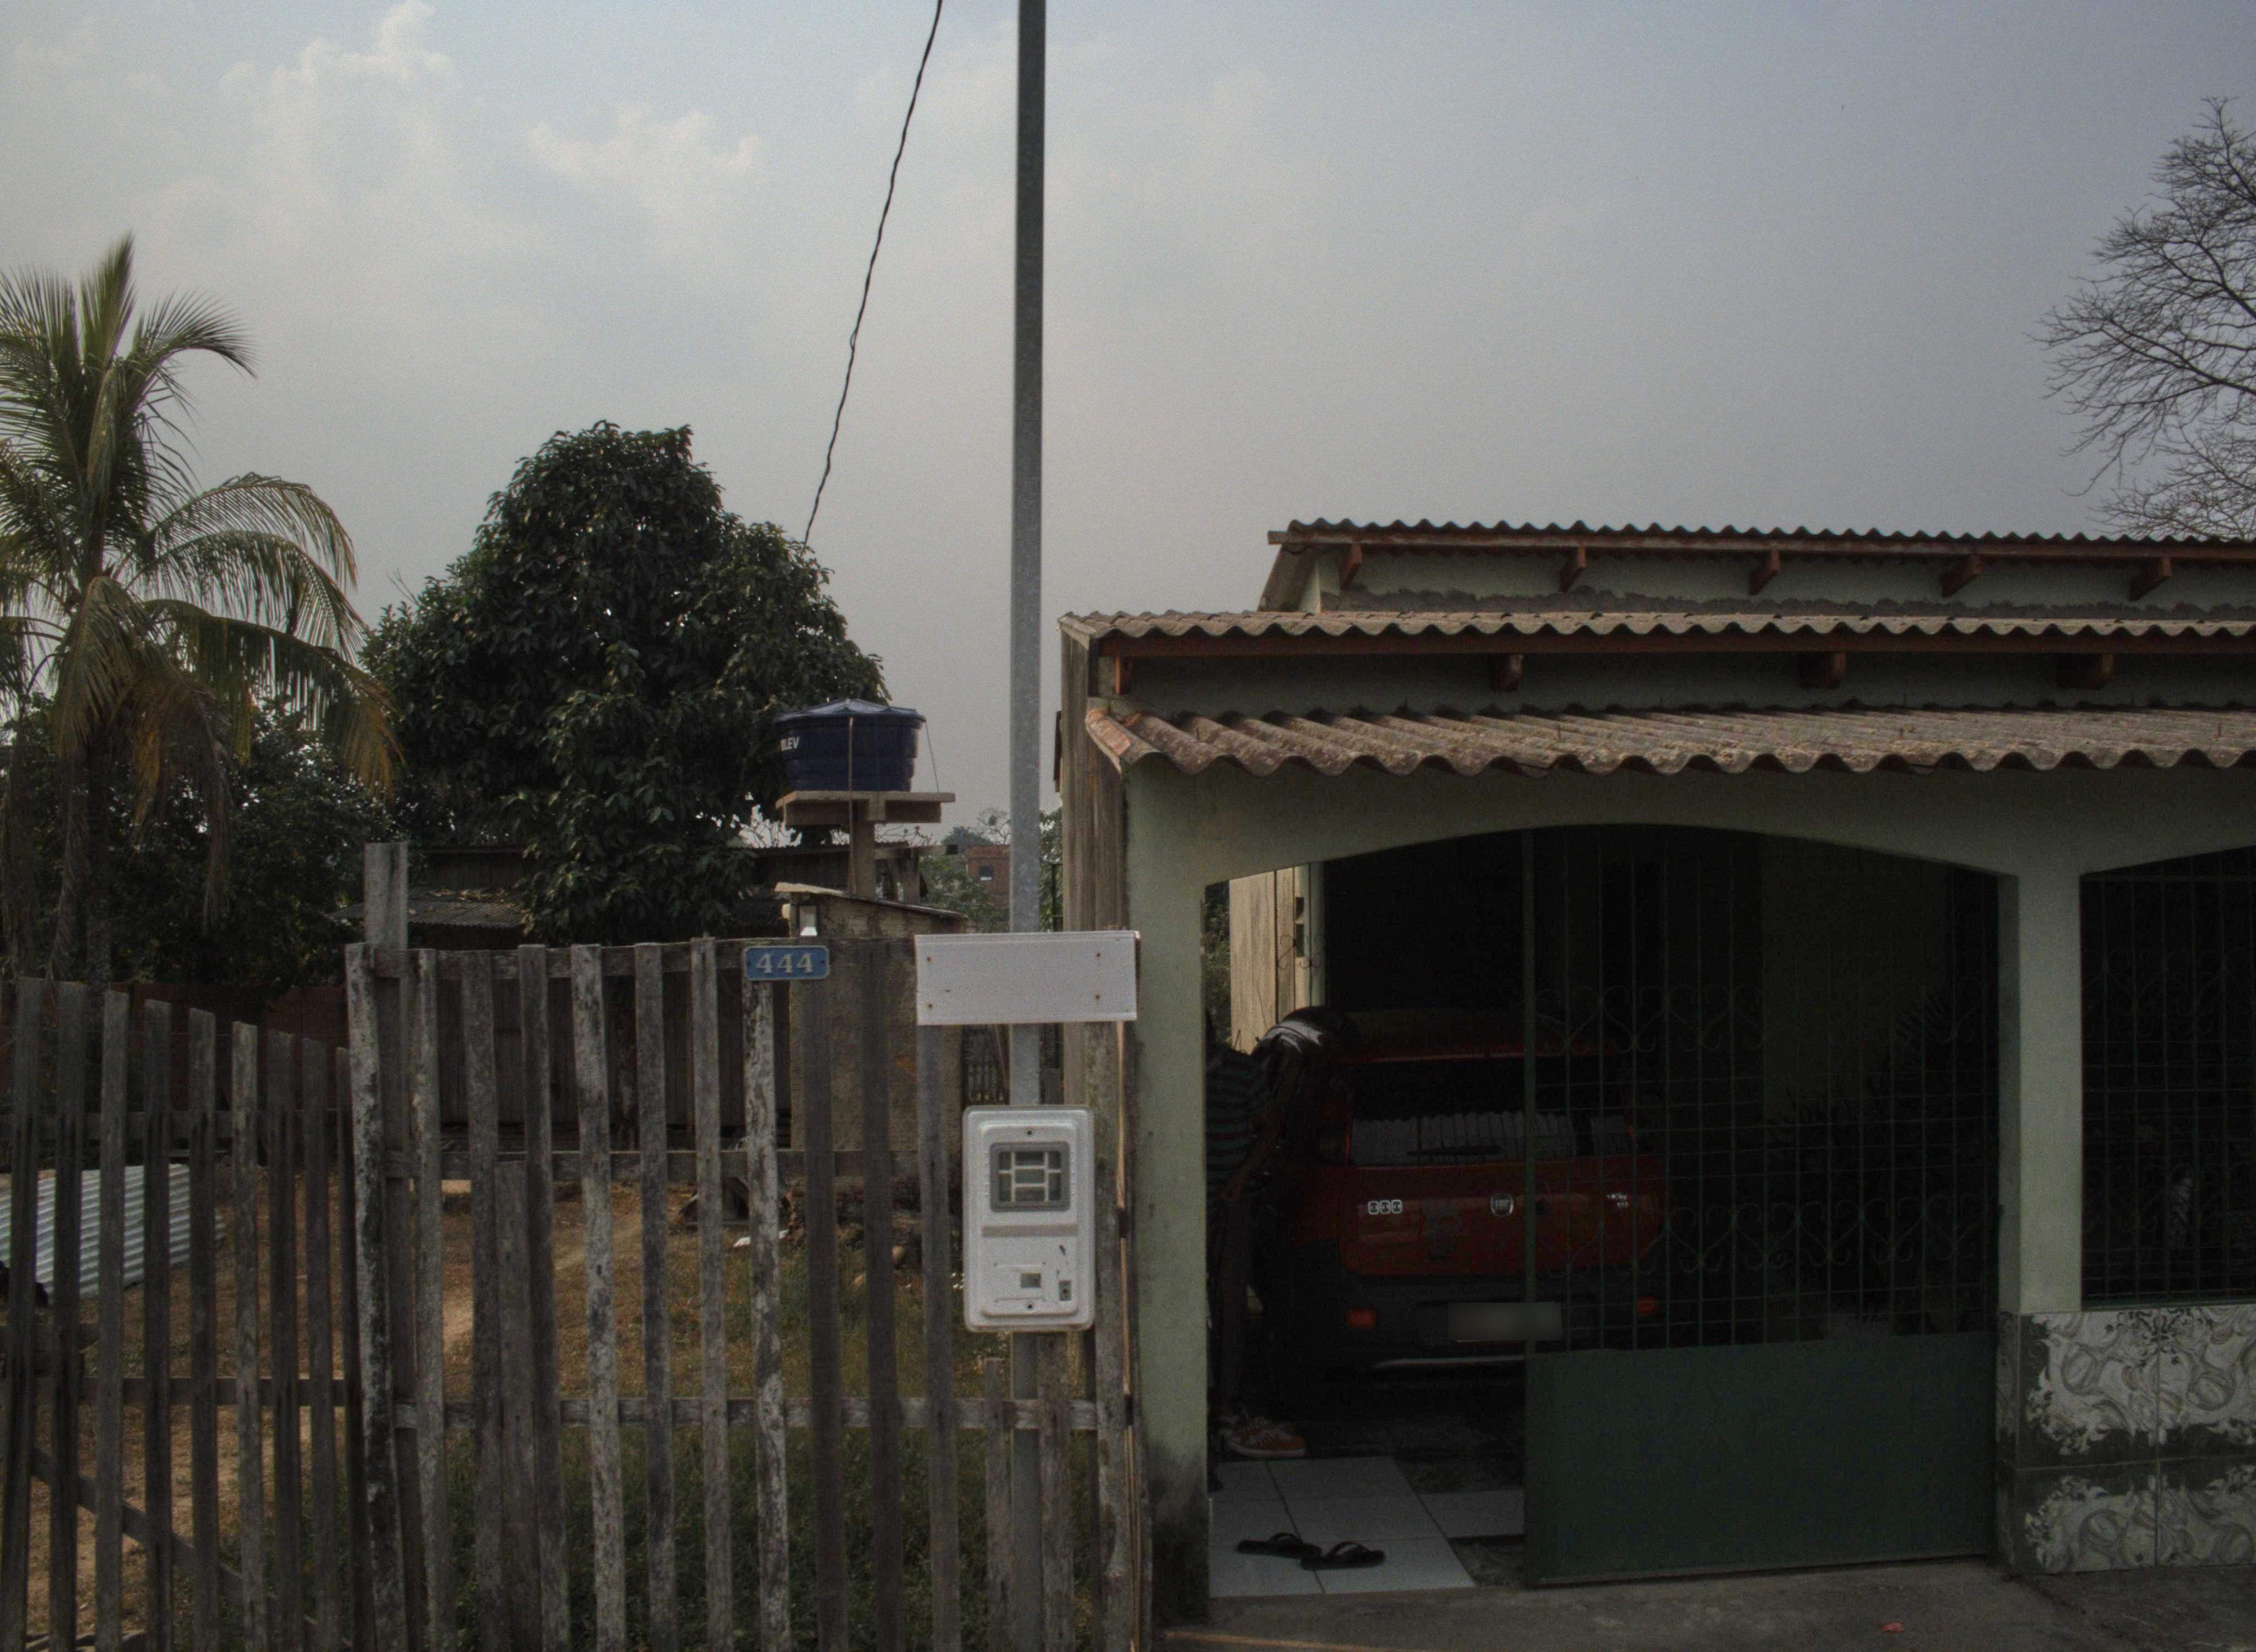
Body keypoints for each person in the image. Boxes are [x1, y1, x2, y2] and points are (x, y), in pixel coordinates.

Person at [1207, 1020, 1306, 1460]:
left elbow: (1269, 1130)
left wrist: (1243, 1175)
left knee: (1229, 1300)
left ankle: (1228, 1403)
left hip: (1232, 1199)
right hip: (1182, 1205)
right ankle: (1200, 1399)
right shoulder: (1172, 1070)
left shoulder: (1242, 1072)